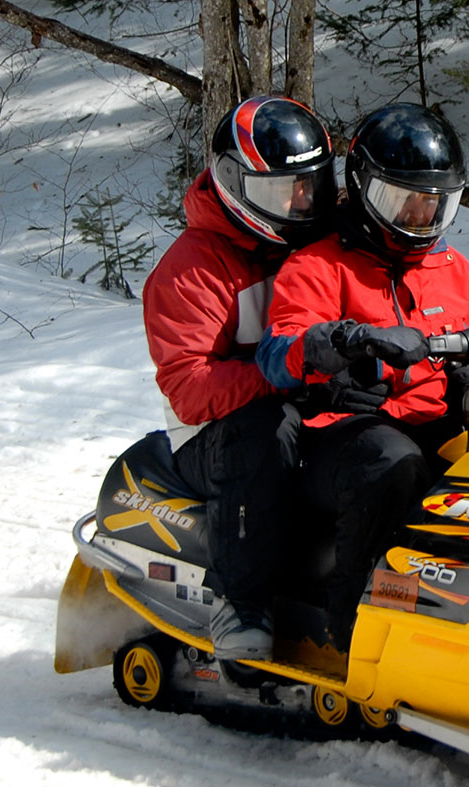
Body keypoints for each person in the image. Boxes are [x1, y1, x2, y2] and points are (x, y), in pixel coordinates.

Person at [256, 103, 469, 642]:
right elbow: (278, 353)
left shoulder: (450, 269)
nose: (420, 219)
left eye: (435, 205)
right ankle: (351, 626)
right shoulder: (318, 265)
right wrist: (344, 339)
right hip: (342, 434)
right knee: (394, 463)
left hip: (431, 419)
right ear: (364, 189)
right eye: (405, 202)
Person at [142, 95, 337, 661]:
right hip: (209, 434)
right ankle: (241, 601)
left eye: (312, 186)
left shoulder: (322, 244)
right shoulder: (192, 269)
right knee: (262, 428)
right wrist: (288, 374)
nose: (301, 203)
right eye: (283, 191)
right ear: (237, 185)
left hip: (308, 406)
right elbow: (190, 387)